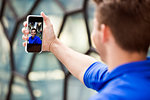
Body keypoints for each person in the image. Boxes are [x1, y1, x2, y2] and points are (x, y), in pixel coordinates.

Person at [22, 0, 150, 99]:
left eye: (94, 25)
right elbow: (89, 70)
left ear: (105, 32)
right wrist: (52, 44)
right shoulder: (132, 75)